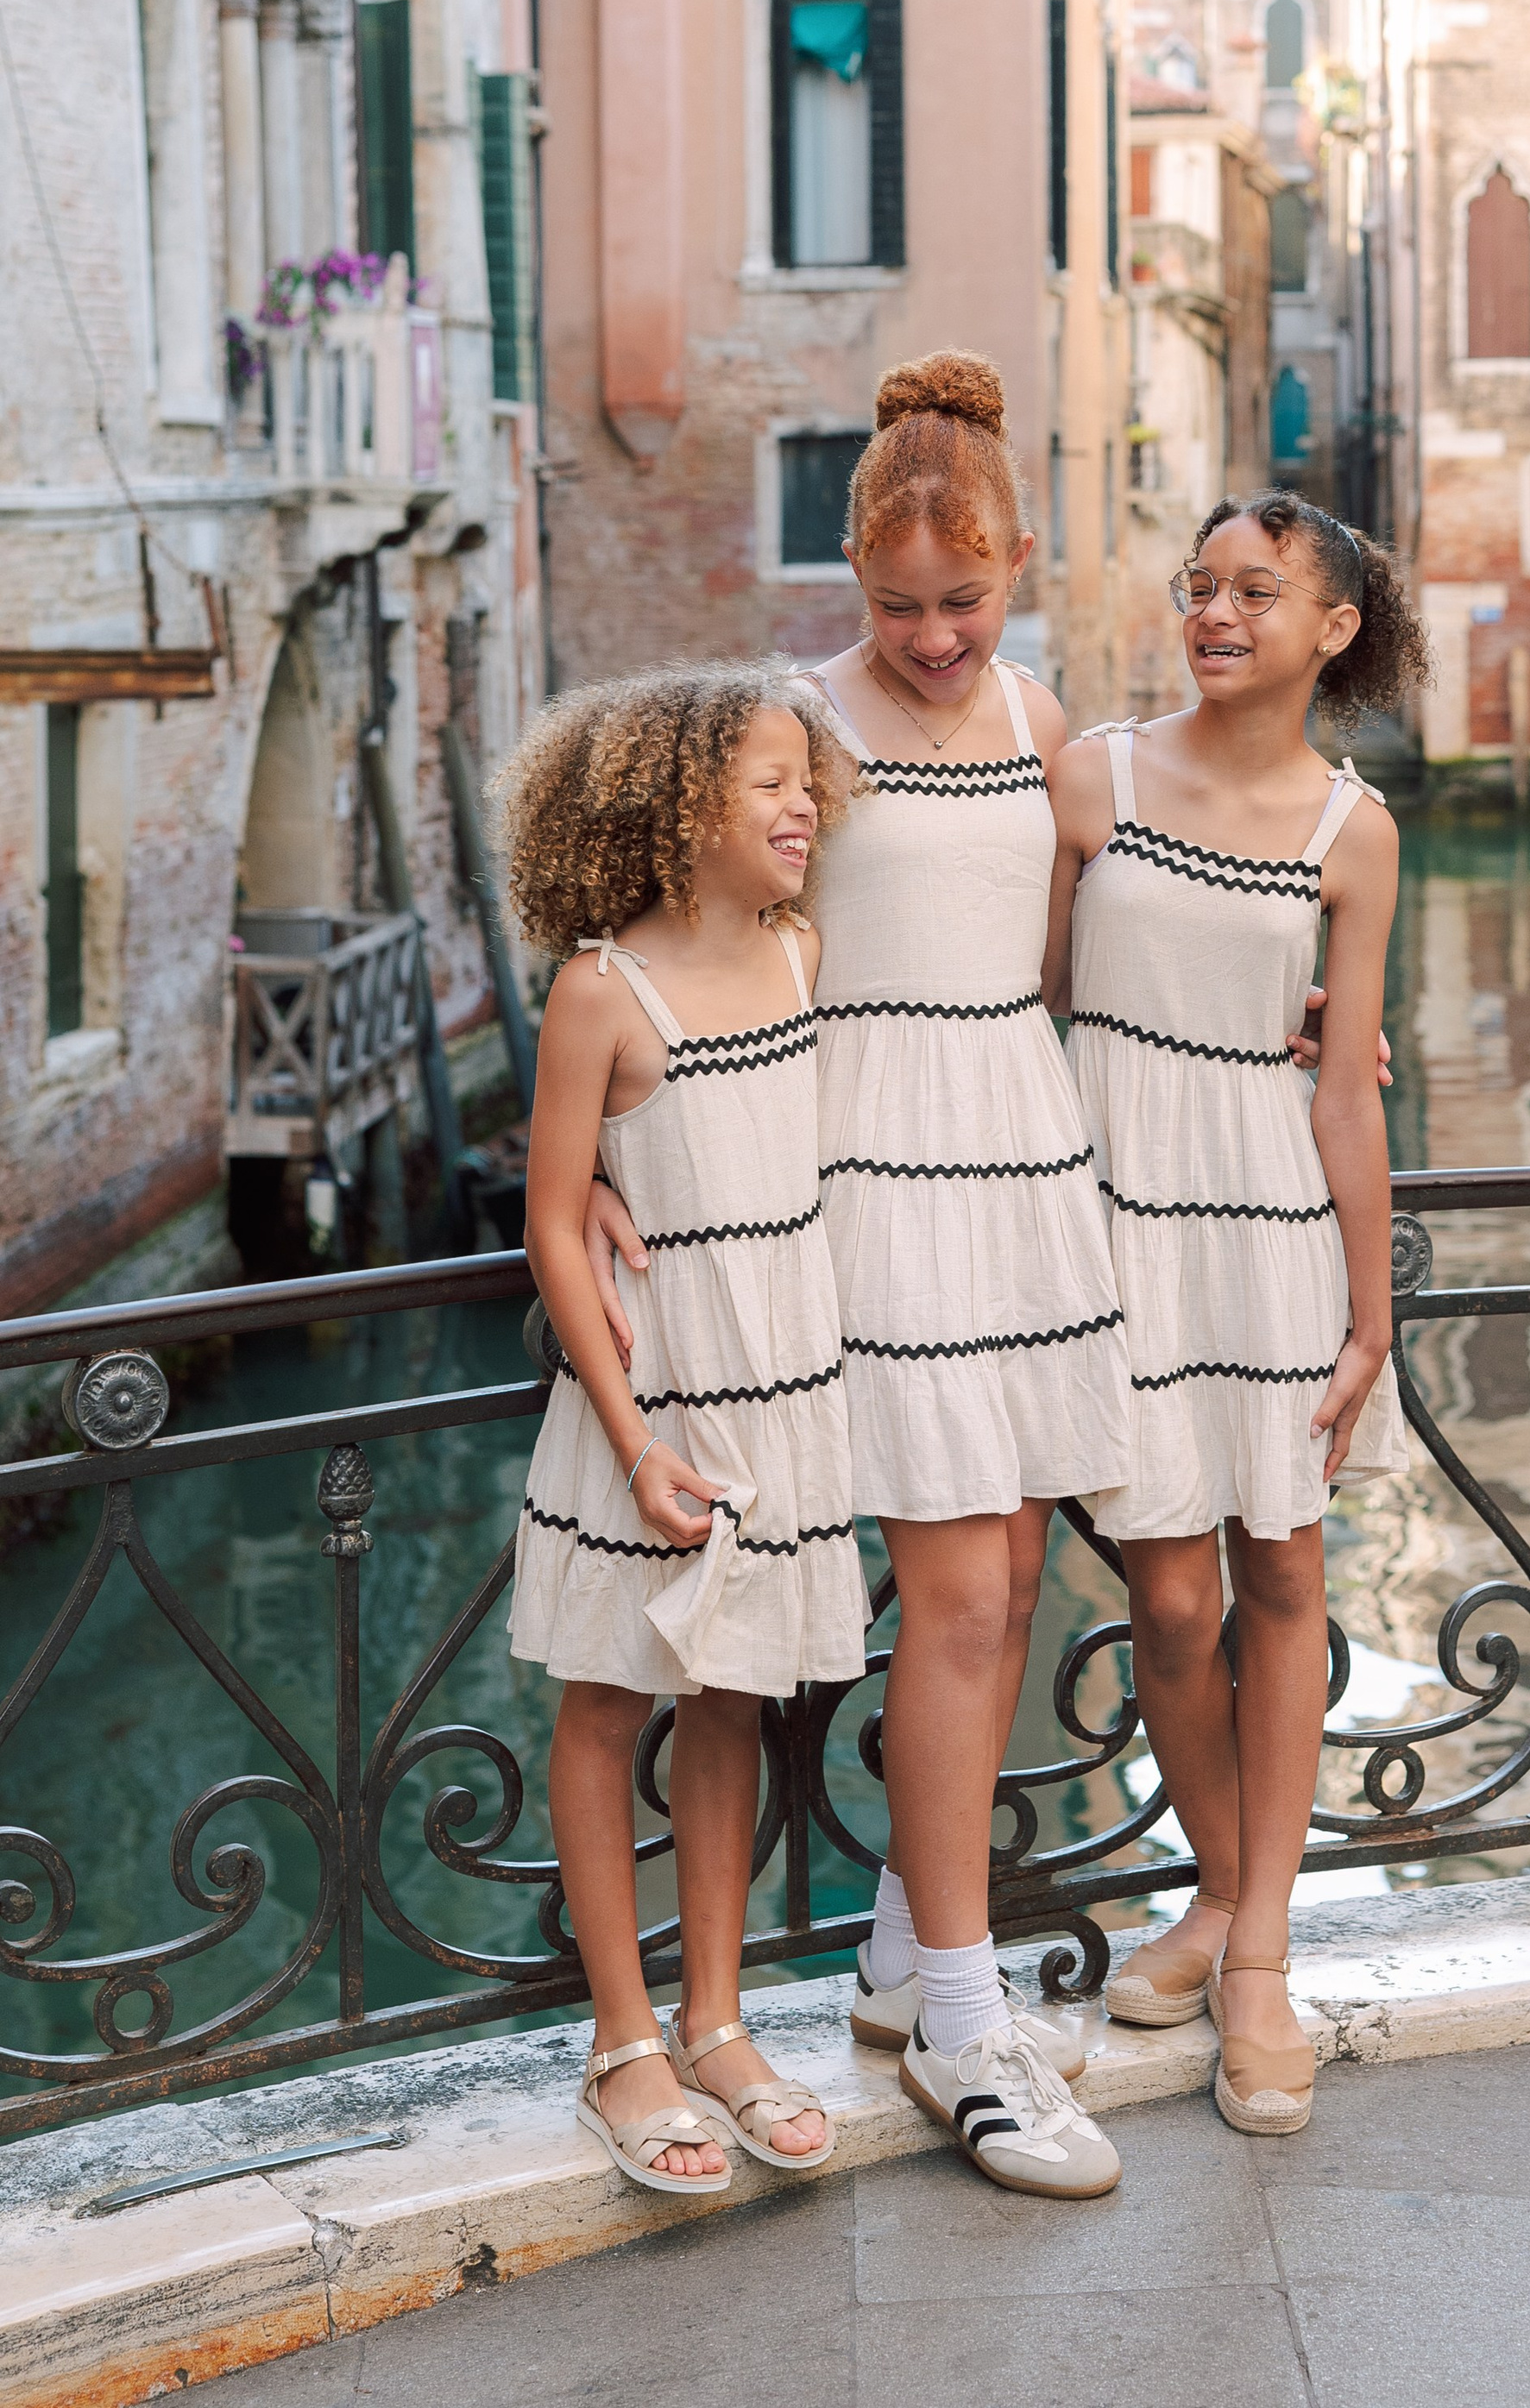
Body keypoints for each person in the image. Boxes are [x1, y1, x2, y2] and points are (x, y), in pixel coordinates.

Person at [586, 354, 1129, 2203]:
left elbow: (1069, 949)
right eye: (894, 605)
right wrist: (588, 1158)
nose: (928, 635)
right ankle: (966, 2024)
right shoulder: (790, 724)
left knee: (1013, 1568)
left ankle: (910, 1942)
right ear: (847, 582)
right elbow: (649, 926)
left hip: (1020, 1150)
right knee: (956, 1585)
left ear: (1017, 567)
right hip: (861, 1170)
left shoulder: (1043, 715)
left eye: (961, 600)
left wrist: (1298, 1019)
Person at [1043, 490, 1426, 2138]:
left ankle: (1255, 1948)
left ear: (1332, 626)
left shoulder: (1358, 831)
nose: (1213, 613)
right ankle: (1217, 1884)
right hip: (1114, 1214)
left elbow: (1349, 1093)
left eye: (1253, 592)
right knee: (1173, 1600)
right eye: (1198, 586)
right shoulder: (1092, 779)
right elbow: (1011, 1000)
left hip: (1272, 1220)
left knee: (1281, 1570)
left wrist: (1371, 1314)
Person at [505, 663, 867, 2195]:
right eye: (770, 784)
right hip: (650, 1412)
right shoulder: (604, 990)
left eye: (809, 783)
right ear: (676, 807)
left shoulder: (800, 956)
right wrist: (632, 1432)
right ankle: (622, 2042)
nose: (804, 807)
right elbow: (547, 1226)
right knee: (607, 1707)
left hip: (788, 1390)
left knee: (729, 1705)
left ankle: (719, 2023)